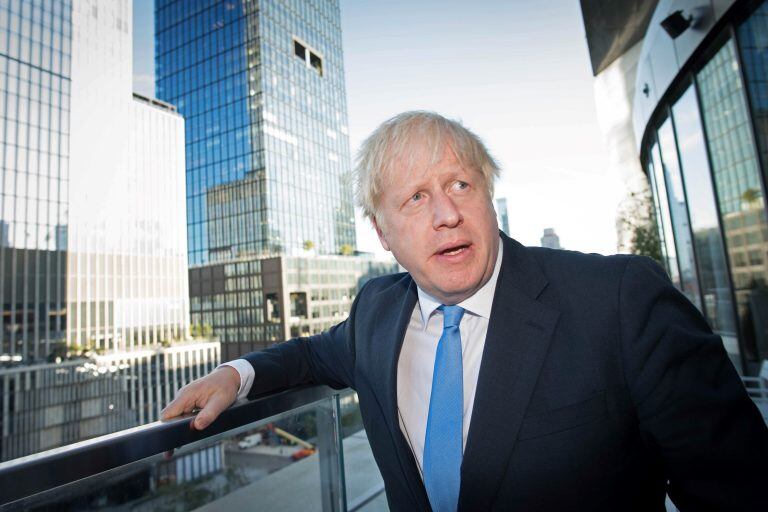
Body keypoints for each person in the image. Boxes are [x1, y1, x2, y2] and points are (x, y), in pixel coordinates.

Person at [162, 111, 768, 511]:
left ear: (489, 194)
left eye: (460, 185)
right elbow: (310, 354)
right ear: (382, 234)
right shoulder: (376, 312)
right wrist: (235, 375)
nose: (446, 214)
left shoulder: (618, 301)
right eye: (416, 197)